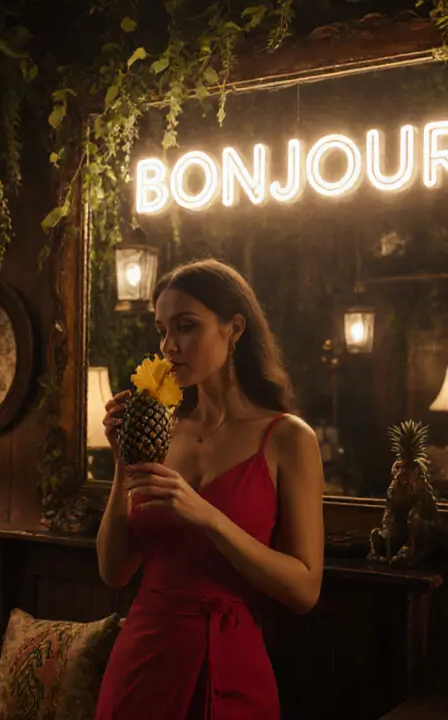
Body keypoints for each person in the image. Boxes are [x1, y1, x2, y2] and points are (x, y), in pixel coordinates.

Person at [94, 258, 325, 720]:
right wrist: (122, 465)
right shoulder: (164, 432)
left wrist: (209, 517)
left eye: (186, 327)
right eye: (162, 330)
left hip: (233, 666)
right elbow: (114, 571)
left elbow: (305, 589)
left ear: (233, 328)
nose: (169, 346)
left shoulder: (289, 438)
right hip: (142, 663)